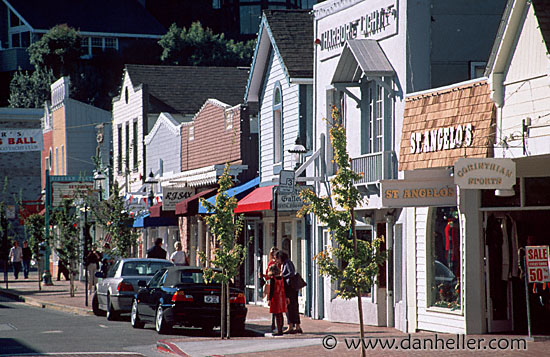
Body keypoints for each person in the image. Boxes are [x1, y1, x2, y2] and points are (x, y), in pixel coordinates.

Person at [276, 250, 302, 334]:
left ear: (280, 257)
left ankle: (292, 326)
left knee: (291, 307)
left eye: (277, 258)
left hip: (290, 289)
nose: (277, 260)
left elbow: (291, 273)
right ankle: (296, 326)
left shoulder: (287, 263)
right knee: (292, 307)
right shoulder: (285, 263)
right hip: (289, 288)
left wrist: (282, 276)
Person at [260, 247, 279, 331]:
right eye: (272, 254)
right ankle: (273, 324)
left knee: (278, 306)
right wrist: (263, 276)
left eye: (275, 254)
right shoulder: (270, 262)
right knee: (273, 305)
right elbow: (268, 275)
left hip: (277, 284)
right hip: (271, 283)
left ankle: (282, 325)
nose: (273, 256)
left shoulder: (279, 263)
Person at [267, 264, 288, 336]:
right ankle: (280, 329)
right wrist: (287, 297)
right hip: (282, 296)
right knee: (281, 314)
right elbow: (285, 288)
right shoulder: (282, 278)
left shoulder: (273, 279)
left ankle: (279, 330)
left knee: (276, 314)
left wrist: (269, 299)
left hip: (275, 297)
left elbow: (272, 290)